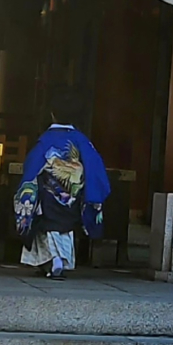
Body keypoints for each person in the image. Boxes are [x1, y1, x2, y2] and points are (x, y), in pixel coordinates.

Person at [14, 91, 110, 280]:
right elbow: (95, 167)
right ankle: (55, 262)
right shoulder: (82, 140)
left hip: (49, 194)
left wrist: (26, 186)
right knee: (64, 228)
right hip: (73, 195)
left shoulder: (46, 140)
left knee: (47, 226)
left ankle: (56, 260)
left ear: (52, 113)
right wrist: (92, 193)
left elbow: (32, 167)